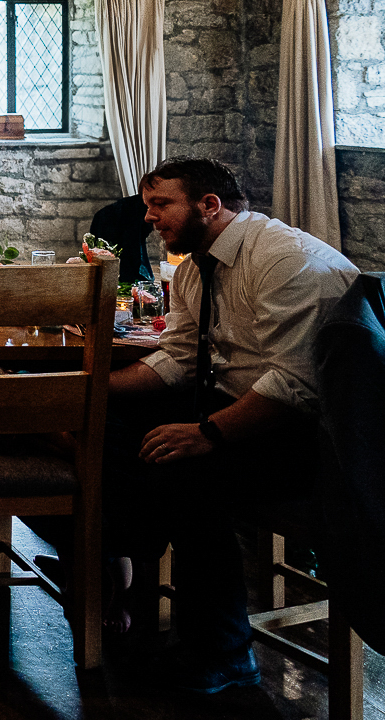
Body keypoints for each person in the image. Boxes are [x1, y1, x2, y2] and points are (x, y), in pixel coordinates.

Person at [59, 158, 356, 693]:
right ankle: (107, 565)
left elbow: (295, 387)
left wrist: (206, 434)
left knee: (186, 474)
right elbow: (178, 360)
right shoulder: (196, 266)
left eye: (160, 205)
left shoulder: (283, 260)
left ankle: (222, 652)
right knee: (101, 426)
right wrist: (88, 390)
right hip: (249, 411)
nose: (148, 218)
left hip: (323, 440)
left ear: (208, 205)